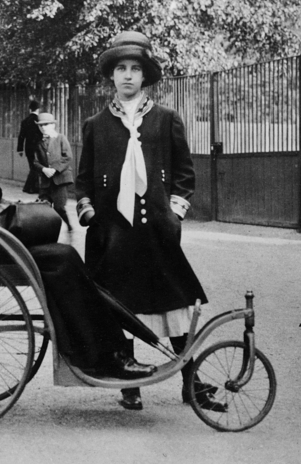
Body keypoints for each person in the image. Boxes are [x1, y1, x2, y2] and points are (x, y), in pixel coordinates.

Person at [0, 72, 157, 380]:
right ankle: (102, 357)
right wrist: (1, 220)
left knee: (63, 256)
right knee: (61, 259)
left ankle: (108, 351)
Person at [75, 30, 225, 413]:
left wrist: (173, 213)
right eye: (120, 69)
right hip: (112, 232)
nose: (127, 76)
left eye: (135, 69)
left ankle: (191, 380)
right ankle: (130, 383)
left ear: (145, 77)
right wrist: (88, 210)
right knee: (121, 305)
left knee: (171, 303)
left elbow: (184, 174)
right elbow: (84, 177)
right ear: (111, 76)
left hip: (156, 230)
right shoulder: (96, 124)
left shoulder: (165, 119)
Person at [32, 112, 74, 231]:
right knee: (43, 205)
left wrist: (54, 169)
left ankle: (69, 226)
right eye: (41, 125)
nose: (43, 127)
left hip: (60, 179)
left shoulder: (60, 138)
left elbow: (68, 157)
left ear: (53, 125)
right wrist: (44, 169)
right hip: (46, 180)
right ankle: (47, 230)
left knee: (59, 207)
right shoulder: (39, 142)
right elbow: (35, 162)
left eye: (46, 124)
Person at [17, 99, 42, 193]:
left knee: (32, 166)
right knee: (36, 167)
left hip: (28, 148)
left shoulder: (25, 121)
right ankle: (29, 187)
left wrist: (20, 149)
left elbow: (21, 136)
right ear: (38, 109)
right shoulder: (39, 121)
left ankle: (32, 187)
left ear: (30, 109)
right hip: (38, 147)